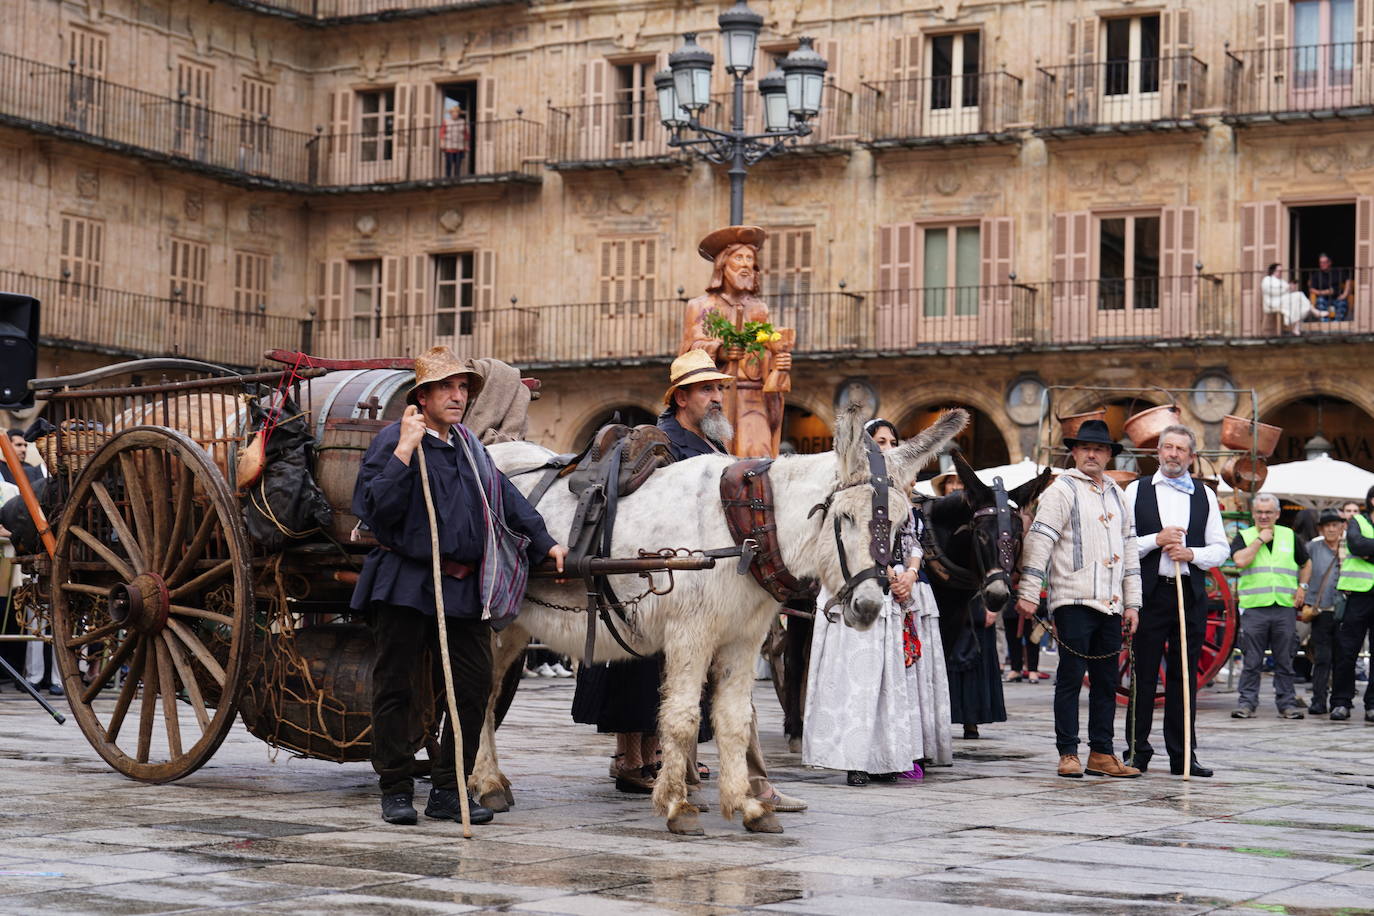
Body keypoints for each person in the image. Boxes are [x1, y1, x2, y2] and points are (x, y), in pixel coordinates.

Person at [351, 346, 568, 826]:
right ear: (423, 396)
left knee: (472, 687)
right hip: (405, 583)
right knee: (397, 689)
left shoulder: (471, 447)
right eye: (447, 387)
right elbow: (374, 509)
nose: (458, 395)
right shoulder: (394, 440)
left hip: (462, 590)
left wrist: (545, 542)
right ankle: (396, 788)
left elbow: (507, 500)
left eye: (464, 387)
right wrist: (406, 450)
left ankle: (449, 790)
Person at [656, 350, 807, 814]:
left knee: (734, 689)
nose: (717, 397)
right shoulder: (667, 444)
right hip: (689, 588)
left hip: (728, 584)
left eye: (719, 388)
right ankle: (740, 783)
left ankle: (743, 782)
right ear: (681, 397)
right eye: (706, 389)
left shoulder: (714, 447)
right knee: (714, 689)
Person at [1016, 419, 1141, 779]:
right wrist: (1028, 591)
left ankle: (1102, 752)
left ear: (1108, 455)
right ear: (1073, 452)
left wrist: (1132, 603)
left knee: (1105, 682)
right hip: (1072, 599)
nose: (1092, 453)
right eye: (1085, 447)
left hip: (1111, 602)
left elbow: (1129, 551)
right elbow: (1040, 539)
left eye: (1099, 448)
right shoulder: (1061, 490)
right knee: (1070, 677)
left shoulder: (1118, 494)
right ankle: (1067, 752)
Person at [803, 418, 921, 785]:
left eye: (890, 441)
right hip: (852, 586)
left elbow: (912, 539)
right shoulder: (842, 486)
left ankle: (885, 755)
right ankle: (852, 757)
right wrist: (880, 571)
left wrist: (909, 575)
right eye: (877, 441)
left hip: (890, 591)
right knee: (853, 676)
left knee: (886, 679)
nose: (884, 448)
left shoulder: (898, 490)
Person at [1122, 425, 1230, 777]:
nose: (1172, 454)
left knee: (1183, 679)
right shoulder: (1135, 490)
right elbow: (1121, 544)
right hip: (1149, 595)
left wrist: (1191, 553)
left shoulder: (1205, 495)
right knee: (1144, 676)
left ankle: (1183, 755)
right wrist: (1156, 539)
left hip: (1189, 594)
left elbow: (1220, 548)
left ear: (1191, 457)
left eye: (1180, 449)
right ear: (1158, 452)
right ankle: (1137, 752)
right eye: (1167, 447)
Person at [679, 226, 793, 458]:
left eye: (750, 258)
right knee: (716, 460)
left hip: (753, 397)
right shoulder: (701, 306)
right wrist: (720, 350)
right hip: (716, 397)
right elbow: (688, 353)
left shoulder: (759, 309)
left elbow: (767, 350)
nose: (745, 264)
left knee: (758, 456)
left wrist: (778, 361)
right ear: (723, 263)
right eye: (738, 257)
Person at [1230, 492, 1308, 720]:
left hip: (1284, 607)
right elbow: (1240, 561)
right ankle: (1246, 703)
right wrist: (1260, 539)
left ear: (1277, 514)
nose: (1264, 516)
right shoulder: (1244, 536)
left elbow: (1306, 563)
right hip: (1255, 608)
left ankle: (1287, 704)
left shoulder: (1289, 536)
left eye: (1268, 512)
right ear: (1253, 513)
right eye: (1260, 512)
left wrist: (1302, 586)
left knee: (1285, 659)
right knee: (1252, 660)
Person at [1330, 485, 1374, 722]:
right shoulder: (1357, 521)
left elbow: (1366, 548)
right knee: (1347, 652)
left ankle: (1372, 705)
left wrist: (1369, 552)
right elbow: (1358, 545)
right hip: (1357, 596)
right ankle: (1340, 702)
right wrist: (1365, 550)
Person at [1302, 508, 1347, 716]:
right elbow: (1302, 570)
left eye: (1335, 525)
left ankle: (1340, 701)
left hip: (1345, 611)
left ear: (1341, 527)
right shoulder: (1312, 547)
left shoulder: (1349, 548)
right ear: (1321, 528)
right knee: (1322, 658)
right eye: (1327, 525)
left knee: (1343, 658)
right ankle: (1318, 700)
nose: (1331, 529)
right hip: (1320, 610)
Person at [1261, 263, 1328, 334]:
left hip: (1284, 301)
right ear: (1273, 271)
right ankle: (1314, 312)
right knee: (1299, 295)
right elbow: (1271, 291)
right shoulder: (1267, 279)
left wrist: (1291, 288)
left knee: (1299, 303)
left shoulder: (1282, 281)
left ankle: (1296, 327)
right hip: (1274, 303)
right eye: (1279, 271)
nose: (1281, 272)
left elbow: (1287, 292)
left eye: (1281, 271)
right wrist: (1287, 288)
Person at [1307, 253, 1351, 322]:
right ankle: (1325, 324)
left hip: (1337, 298)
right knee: (1320, 301)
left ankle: (1336, 324)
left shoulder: (1337, 271)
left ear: (1329, 263)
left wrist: (1344, 294)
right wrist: (1324, 292)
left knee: (1342, 303)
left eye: (1324, 262)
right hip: (1324, 299)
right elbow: (1311, 289)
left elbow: (1348, 280)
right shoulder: (1316, 274)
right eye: (1320, 262)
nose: (1322, 264)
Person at [440, 104, 469, 178]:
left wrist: (466, 146)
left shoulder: (462, 121)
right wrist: (442, 144)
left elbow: (466, 135)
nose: (455, 114)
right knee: (449, 165)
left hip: (459, 147)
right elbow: (442, 133)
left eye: (456, 112)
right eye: (453, 112)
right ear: (451, 113)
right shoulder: (446, 121)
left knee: (458, 165)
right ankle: (448, 180)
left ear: (458, 113)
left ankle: (457, 180)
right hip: (449, 147)